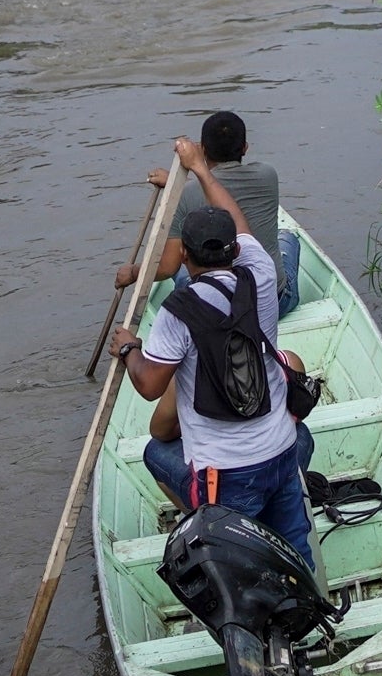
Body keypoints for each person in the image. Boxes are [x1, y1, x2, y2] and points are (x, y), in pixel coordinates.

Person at [120, 158, 312, 564]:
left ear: (184, 254)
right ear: (235, 248)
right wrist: (202, 171)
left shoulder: (178, 311)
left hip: (226, 472)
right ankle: (308, 607)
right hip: (280, 449)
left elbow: (150, 385)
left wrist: (128, 350)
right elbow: (239, 220)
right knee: (296, 544)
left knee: (233, 562)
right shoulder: (259, 275)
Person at [113, 112, 293, 319]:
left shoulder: (187, 195)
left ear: (203, 149)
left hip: (220, 309)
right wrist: (179, 182)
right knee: (290, 240)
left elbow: (167, 268)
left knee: (183, 268)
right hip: (274, 301)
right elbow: (217, 187)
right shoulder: (268, 174)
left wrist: (134, 272)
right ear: (245, 148)